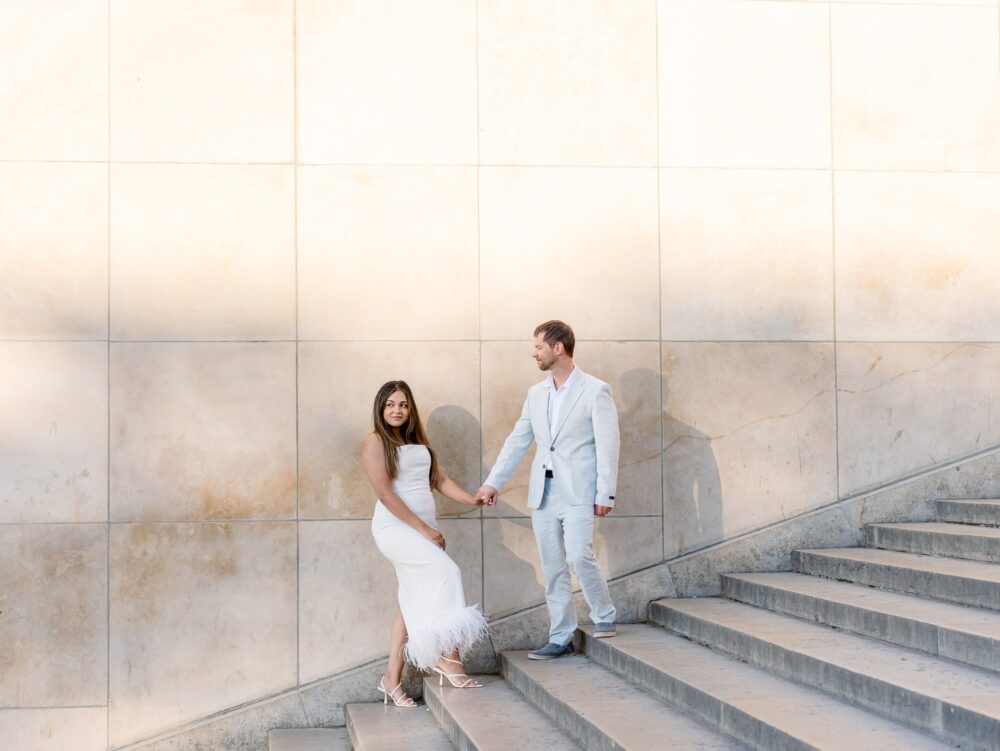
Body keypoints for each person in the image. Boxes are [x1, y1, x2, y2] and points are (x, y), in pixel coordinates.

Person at [478, 320, 620, 659]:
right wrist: (493, 482)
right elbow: (518, 440)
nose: (534, 352)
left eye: (539, 346)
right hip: (543, 492)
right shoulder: (535, 393)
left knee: (577, 554)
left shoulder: (595, 390)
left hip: (579, 491)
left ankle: (604, 614)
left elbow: (608, 444)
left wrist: (606, 493)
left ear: (559, 348)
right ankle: (561, 635)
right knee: (553, 565)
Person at [363, 380, 488, 707]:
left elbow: (440, 480)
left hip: (421, 528)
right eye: (390, 404)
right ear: (380, 408)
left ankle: (391, 680)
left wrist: (472, 499)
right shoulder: (376, 442)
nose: (397, 410)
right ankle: (448, 657)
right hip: (396, 527)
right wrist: (424, 531)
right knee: (448, 572)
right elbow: (385, 494)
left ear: (410, 408)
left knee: (409, 602)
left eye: (403, 404)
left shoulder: (419, 443)